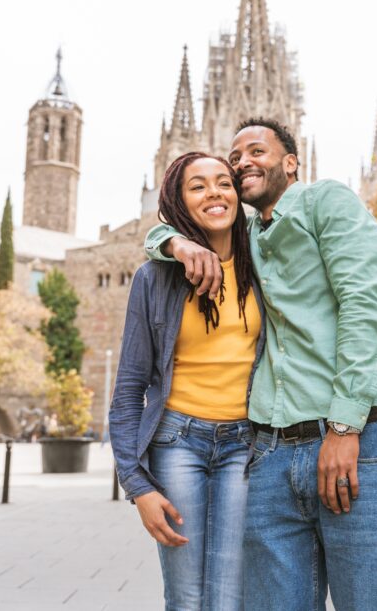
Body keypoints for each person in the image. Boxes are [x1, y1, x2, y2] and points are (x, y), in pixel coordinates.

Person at [146, 118, 377, 610]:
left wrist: (344, 428)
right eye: (235, 156)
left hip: (350, 443)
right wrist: (176, 243)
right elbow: (165, 221)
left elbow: (361, 302)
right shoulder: (243, 235)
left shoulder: (324, 201)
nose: (243, 160)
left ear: (291, 162)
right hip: (267, 459)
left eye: (257, 150)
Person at [110, 152, 265, 611]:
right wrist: (137, 486)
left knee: (230, 594)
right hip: (178, 441)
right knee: (186, 597)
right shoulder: (155, 276)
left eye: (224, 183)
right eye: (198, 186)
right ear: (179, 201)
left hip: (245, 443)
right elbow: (128, 388)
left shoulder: (263, 262)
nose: (214, 193)